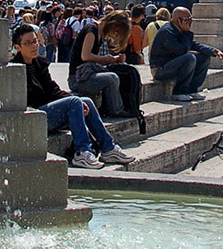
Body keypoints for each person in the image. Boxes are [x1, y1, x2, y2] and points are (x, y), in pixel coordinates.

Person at [10, 25, 133, 168]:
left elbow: (54, 90)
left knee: (84, 100)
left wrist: (77, 103)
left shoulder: (39, 63)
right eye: (28, 43)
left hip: (48, 112)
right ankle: (82, 151)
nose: (33, 46)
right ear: (18, 47)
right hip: (33, 117)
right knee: (74, 102)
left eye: (35, 41)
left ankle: (108, 148)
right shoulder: (14, 68)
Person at [69, 9, 139, 119]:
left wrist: (115, 60)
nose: (114, 34)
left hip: (86, 73)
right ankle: (117, 110)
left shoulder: (100, 35)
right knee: (112, 78)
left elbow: (95, 60)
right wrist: (105, 59)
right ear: (113, 25)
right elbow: (85, 56)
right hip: (77, 78)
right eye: (116, 31)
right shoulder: (91, 30)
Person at [149, 6, 223, 102]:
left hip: (172, 64)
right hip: (160, 69)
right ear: (179, 20)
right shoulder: (167, 31)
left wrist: (214, 51)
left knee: (204, 58)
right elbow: (181, 50)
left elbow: (194, 45)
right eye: (188, 19)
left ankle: (192, 90)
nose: (191, 22)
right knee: (189, 58)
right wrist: (186, 33)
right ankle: (178, 92)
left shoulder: (180, 30)